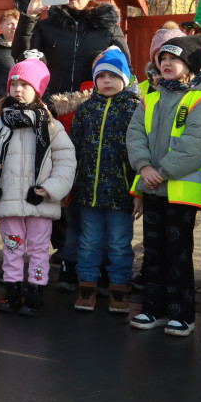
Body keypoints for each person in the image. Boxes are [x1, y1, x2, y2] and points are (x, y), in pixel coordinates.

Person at [126, 36, 201, 337]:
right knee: (152, 252)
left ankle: (182, 315)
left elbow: (195, 146)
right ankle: (153, 309)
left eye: (173, 59)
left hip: (180, 191)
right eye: (162, 58)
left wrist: (160, 172)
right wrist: (144, 168)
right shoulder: (151, 97)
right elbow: (135, 136)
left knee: (178, 253)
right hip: (152, 188)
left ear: (190, 65)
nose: (165, 63)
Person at [0, 58, 76, 317]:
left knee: (39, 249)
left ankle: (36, 291)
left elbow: (66, 162)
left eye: (25, 84)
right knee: (12, 248)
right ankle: (12, 290)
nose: (17, 89)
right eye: (13, 84)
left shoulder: (50, 126)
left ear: (38, 89)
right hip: (8, 200)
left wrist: (50, 188)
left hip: (39, 201)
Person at [67, 48, 139, 313]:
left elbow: (141, 151)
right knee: (89, 242)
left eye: (113, 75)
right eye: (101, 76)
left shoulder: (134, 109)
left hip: (122, 194)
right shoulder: (86, 110)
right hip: (89, 192)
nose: (107, 81)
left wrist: (138, 191)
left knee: (120, 244)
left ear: (124, 78)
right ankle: (86, 287)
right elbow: (74, 148)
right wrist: (70, 185)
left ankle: (119, 289)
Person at [13, 0, 130, 101]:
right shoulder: (47, 26)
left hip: (93, 105)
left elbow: (124, 68)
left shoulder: (108, 29)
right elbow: (21, 56)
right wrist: (30, 16)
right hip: (52, 105)